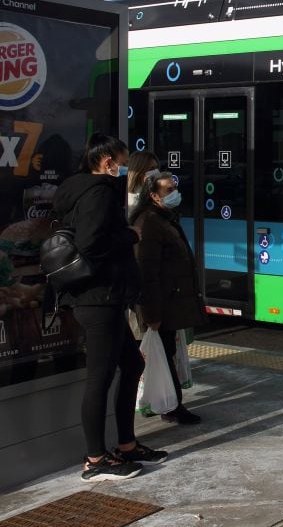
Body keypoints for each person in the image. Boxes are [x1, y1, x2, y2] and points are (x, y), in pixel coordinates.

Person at [52, 133, 167, 481]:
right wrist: (131, 235)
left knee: (131, 365)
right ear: (107, 162)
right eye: (121, 159)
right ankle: (95, 459)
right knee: (99, 379)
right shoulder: (99, 192)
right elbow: (91, 244)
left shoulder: (80, 188)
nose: (123, 165)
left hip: (103, 296)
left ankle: (127, 445)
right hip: (97, 297)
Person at [130, 171, 206, 424]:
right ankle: (170, 406)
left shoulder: (162, 218)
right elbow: (146, 272)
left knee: (167, 353)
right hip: (161, 304)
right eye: (168, 190)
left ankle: (170, 403)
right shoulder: (150, 222)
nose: (175, 193)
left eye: (175, 187)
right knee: (162, 354)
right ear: (153, 195)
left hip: (168, 301)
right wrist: (151, 315)